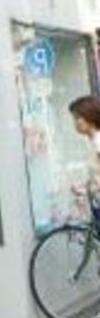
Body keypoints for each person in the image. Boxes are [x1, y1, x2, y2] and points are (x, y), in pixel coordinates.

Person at [69, 95, 100, 223]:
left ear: (90, 116)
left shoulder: (98, 141)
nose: (75, 123)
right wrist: (85, 185)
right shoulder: (92, 141)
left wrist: (88, 189)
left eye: (77, 118)